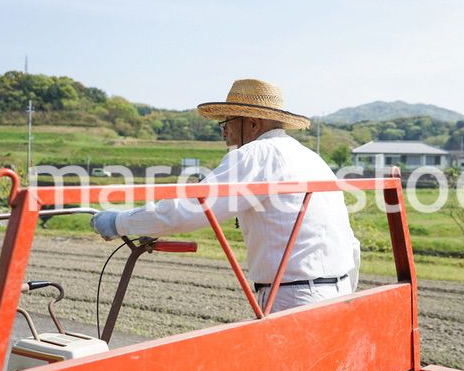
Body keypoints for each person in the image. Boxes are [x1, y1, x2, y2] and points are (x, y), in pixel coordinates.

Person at [92, 79, 360, 312]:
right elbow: (350, 242)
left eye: (227, 123)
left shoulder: (256, 154)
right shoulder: (311, 158)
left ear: (253, 123)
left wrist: (118, 222)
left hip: (294, 298)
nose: (224, 132)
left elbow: (190, 210)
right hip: (338, 292)